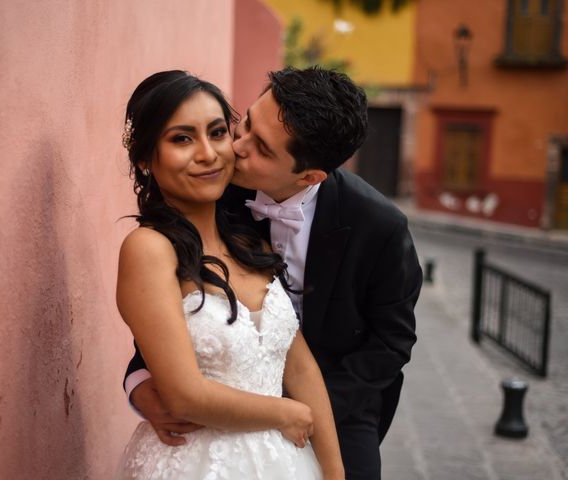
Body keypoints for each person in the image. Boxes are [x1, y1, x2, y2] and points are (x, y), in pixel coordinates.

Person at [125, 67, 422, 480]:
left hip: (339, 397)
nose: (234, 148)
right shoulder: (212, 184)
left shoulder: (378, 225)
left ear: (310, 176)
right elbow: (173, 310)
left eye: (261, 147)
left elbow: (391, 341)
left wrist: (303, 415)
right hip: (212, 407)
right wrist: (139, 381)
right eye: (243, 123)